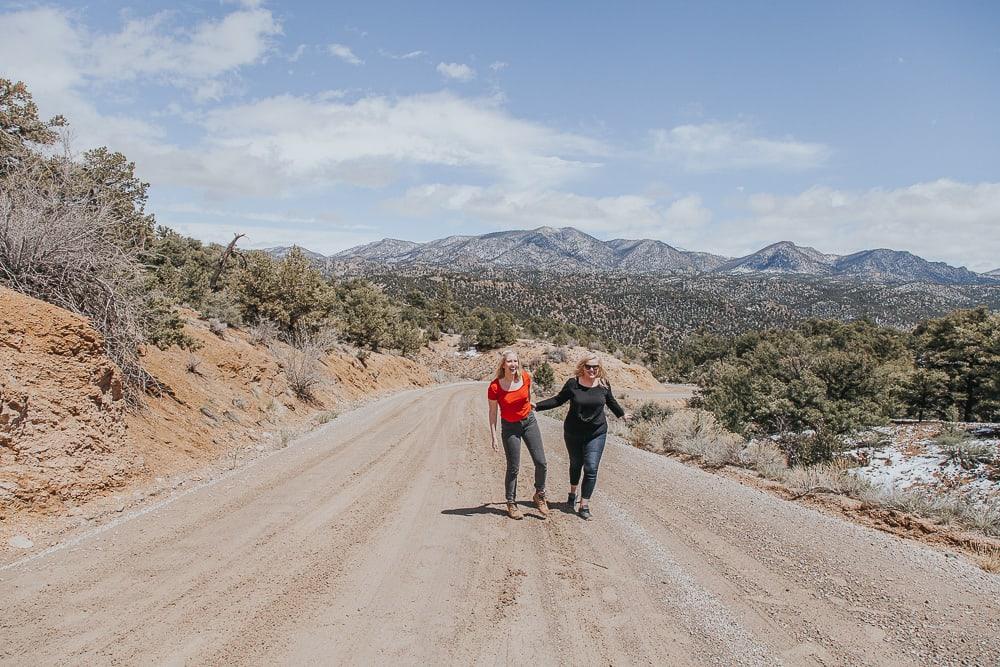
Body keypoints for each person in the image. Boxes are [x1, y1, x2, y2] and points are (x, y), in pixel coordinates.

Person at [534, 354, 631, 519]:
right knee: (576, 464)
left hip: (596, 432)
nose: (592, 370)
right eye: (588, 366)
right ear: (582, 367)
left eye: (595, 367)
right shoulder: (573, 384)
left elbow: (611, 401)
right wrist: (537, 406)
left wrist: (621, 415)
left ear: (599, 368)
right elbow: (558, 400)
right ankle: (572, 493)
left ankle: (584, 504)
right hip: (573, 432)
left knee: (591, 468)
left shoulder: (604, 384)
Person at [487, 350, 549, 519]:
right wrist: (493, 436)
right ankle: (511, 503)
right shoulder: (494, 387)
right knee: (513, 467)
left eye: (515, 361)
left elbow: (528, 396)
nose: (513, 364)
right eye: (509, 361)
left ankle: (539, 494)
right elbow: (492, 413)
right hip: (510, 427)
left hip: (529, 422)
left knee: (541, 462)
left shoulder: (525, 377)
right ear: (503, 364)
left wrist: (530, 404)